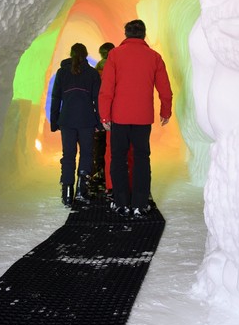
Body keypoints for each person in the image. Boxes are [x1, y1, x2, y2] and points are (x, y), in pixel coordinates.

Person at [99, 20, 172, 217]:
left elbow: (106, 89)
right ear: (143, 34)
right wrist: (166, 110)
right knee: (141, 158)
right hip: (142, 118)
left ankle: (121, 202)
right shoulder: (154, 57)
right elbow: (165, 89)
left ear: (126, 34)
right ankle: (140, 203)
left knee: (118, 158)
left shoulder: (114, 55)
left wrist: (105, 114)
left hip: (119, 118)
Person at [49, 42, 101, 207]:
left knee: (68, 155)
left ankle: (67, 193)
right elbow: (98, 99)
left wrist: (54, 120)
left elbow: (56, 97)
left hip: (67, 120)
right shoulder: (92, 74)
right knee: (86, 154)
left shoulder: (62, 72)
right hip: (86, 119)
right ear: (86, 55)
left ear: (71, 54)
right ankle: (81, 190)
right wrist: (99, 121)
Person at [92, 42, 117, 194]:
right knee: (114, 148)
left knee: (98, 147)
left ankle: (99, 175)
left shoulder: (96, 71)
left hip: (98, 112)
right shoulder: (115, 68)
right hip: (114, 113)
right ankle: (112, 178)